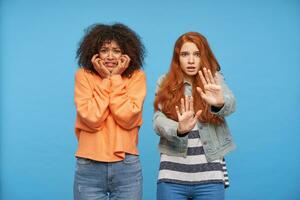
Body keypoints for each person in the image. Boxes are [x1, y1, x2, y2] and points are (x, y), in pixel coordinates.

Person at [153, 32, 236, 200]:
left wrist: (219, 103)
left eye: (196, 54)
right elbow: (157, 120)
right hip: (172, 174)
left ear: (203, 56)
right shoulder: (164, 81)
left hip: (210, 174)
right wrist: (179, 129)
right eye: (185, 54)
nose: (191, 60)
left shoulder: (214, 79)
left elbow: (230, 103)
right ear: (177, 58)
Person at [73, 23, 146, 200]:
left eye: (117, 50)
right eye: (104, 50)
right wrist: (107, 80)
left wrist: (116, 78)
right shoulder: (83, 75)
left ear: (126, 53)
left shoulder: (137, 76)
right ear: (94, 52)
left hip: (126, 166)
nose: (110, 56)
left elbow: (127, 118)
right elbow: (91, 118)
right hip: (89, 165)